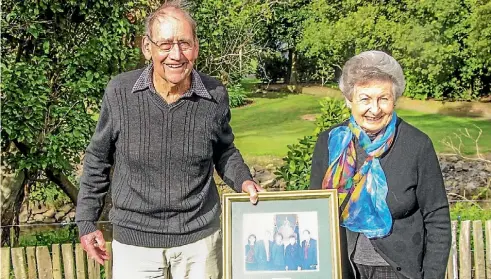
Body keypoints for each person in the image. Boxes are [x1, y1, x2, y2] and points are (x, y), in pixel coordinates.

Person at [75, 1, 263, 278]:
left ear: (196, 47)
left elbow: (223, 151)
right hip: (135, 244)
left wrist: (243, 179)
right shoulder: (120, 92)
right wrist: (86, 221)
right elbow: (98, 159)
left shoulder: (215, 94)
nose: (176, 54)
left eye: (184, 43)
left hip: (200, 244)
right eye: (165, 44)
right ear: (147, 47)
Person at [310, 50, 451, 278]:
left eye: (383, 99)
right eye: (365, 98)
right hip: (344, 269)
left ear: (394, 99)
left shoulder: (417, 145)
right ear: (349, 100)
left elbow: (437, 217)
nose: (374, 109)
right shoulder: (329, 142)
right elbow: (314, 209)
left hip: (399, 271)